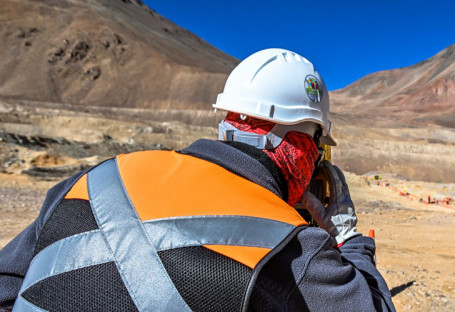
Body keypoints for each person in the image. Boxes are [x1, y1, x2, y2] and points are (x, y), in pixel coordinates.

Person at [0, 49, 395, 311]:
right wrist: (346, 238)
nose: (315, 166)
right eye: (316, 150)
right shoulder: (294, 246)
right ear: (293, 144)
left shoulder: (91, 179)